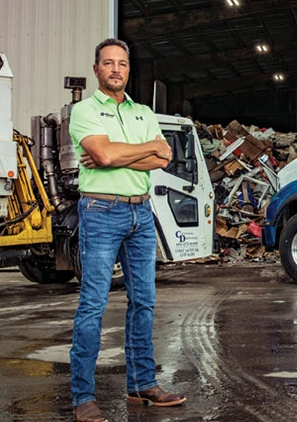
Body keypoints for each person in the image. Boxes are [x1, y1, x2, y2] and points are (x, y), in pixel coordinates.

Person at [69, 38, 186, 422]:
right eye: (108, 63)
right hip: (101, 211)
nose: (116, 69)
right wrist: (138, 151)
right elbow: (102, 155)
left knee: (145, 303)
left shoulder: (143, 112)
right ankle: (83, 397)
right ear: (96, 69)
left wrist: (118, 154)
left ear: (128, 69)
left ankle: (142, 385)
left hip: (141, 214)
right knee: (93, 305)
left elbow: (164, 156)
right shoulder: (83, 110)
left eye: (122, 63)